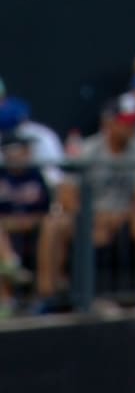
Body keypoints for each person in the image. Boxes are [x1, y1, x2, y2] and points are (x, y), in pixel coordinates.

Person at [36, 100, 135, 308]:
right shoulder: (88, 149)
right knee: (53, 224)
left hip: (125, 219)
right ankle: (47, 295)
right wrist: (92, 222)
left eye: (133, 122)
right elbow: (67, 195)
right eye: (124, 122)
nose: (129, 127)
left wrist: (114, 221)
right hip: (88, 216)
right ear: (109, 123)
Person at [0, 131, 49, 318]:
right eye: (22, 149)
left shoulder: (35, 175)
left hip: (33, 232)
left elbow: (46, 210)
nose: (27, 153)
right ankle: (9, 284)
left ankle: (42, 296)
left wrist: (27, 222)